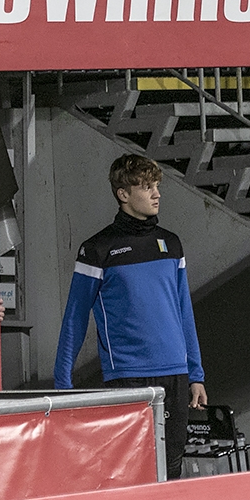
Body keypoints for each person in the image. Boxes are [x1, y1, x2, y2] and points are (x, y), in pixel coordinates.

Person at [53, 154, 208, 480]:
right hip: (127, 377)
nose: (157, 194)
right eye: (147, 187)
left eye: (157, 187)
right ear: (123, 194)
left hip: (176, 377)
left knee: (171, 471)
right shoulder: (97, 249)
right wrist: (62, 385)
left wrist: (196, 373)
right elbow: (75, 318)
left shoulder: (172, 244)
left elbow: (183, 311)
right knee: (130, 474)